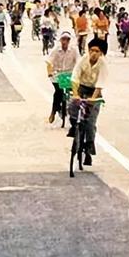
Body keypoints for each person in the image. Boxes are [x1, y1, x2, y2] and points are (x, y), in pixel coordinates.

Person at [69, 37, 109, 166]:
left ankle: (89, 149)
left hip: (95, 91)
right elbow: (75, 77)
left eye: (97, 51)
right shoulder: (83, 61)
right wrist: (75, 94)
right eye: (91, 50)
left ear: (101, 53)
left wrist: (93, 98)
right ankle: (74, 127)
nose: (93, 53)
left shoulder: (103, 65)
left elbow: (101, 82)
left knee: (90, 122)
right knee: (72, 107)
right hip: (82, 88)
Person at [46, 31, 80, 123]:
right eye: (63, 39)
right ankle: (53, 111)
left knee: (75, 92)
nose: (65, 41)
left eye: (67, 39)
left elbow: (78, 62)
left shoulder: (74, 50)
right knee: (58, 91)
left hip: (70, 74)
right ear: (60, 40)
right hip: (58, 74)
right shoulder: (55, 50)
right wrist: (49, 72)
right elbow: (49, 62)